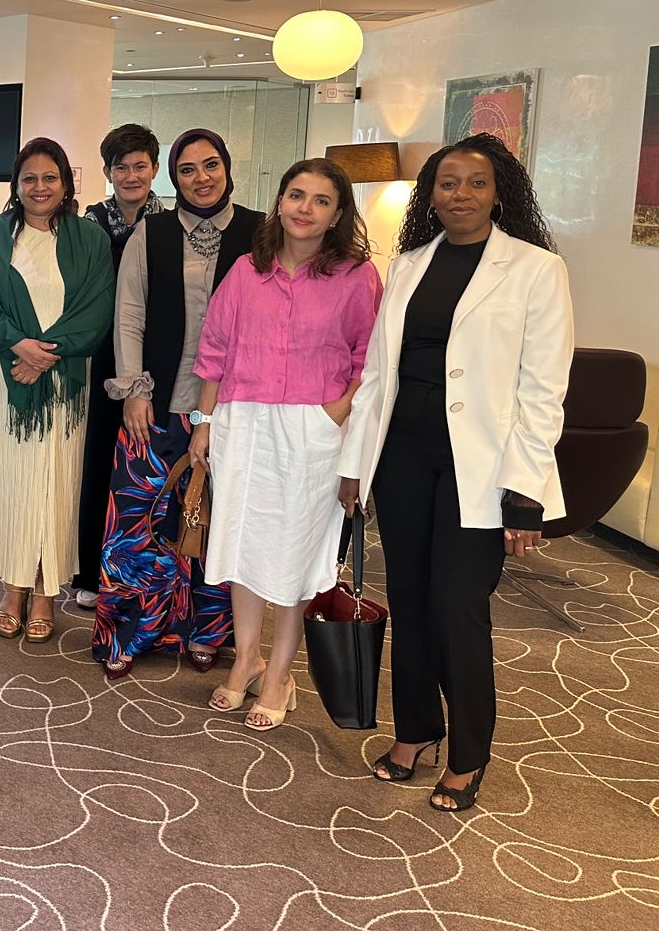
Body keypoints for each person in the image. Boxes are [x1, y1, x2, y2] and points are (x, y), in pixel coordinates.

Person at [339, 132, 572, 812]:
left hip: (482, 466)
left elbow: (543, 389)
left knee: (457, 606)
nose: (460, 194)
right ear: (431, 195)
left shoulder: (535, 269)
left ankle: (470, 752)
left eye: (475, 183)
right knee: (410, 599)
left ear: (500, 193)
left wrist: (524, 493)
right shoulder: (408, 264)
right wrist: (356, 464)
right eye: (447, 183)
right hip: (402, 458)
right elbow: (376, 374)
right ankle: (415, 730)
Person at [190, 159, 381, 729]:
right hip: (243, 422)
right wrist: (203, 421)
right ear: (279, 201)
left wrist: (332, 416)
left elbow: (370, 360)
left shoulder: (357, 277)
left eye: (321, 201)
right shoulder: (247, 270)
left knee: (296, 555)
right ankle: (246, 659)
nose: (305, 208)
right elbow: (215, 350)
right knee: (243, 545)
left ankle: (279, 673)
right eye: (297, 195)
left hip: (312, 429)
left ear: (338, 214)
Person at [94, 128, 262, 678]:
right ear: (174, 178)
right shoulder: (152, 231)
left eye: (210, 165)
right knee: (139, 520)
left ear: (227, 168)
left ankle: (207, 630)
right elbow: (129, 313)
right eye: (187, 170)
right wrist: (134, 390)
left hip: (235, 409)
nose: (201, 178)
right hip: (158, 402)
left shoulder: (262, 232)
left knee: (217, 521)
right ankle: (130, 630)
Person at [0, 137, 113, 644]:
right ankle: (13, 588)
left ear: (66, 184)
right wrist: (19, 346)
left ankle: (47, 590)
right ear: (16, 185)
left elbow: (97, 308)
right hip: (7, 377)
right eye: (29, 178)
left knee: (57, 482)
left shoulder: (90, 238)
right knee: (11, 482)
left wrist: (46, 354)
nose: (39, 186)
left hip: (64, 381)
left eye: (50, 177)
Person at [73, 123, 163, 608]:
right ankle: (90, 571)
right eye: (121, 167)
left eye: (140, 166)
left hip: (155, 357)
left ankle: (144, 571)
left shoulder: (170, 223)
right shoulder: (88, 225)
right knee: (99, 461)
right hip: (99, 355)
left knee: (147, 464)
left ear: (154, 168)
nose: (131, 175)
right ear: (108, 172)